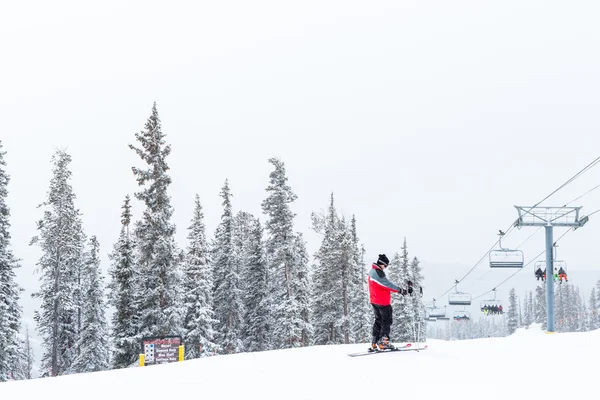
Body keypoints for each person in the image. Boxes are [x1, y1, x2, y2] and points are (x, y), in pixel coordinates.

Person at [368, 254, 413, 351]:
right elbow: (387, 285)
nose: (385, 268)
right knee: (386, 321)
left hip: (375, 301)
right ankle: (384, 342)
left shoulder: (373, 271)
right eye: (386, 265)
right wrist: (400, 290)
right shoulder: (378, 273)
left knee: (378, 320)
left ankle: (375, 342)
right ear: (382, 264)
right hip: (382, 302)